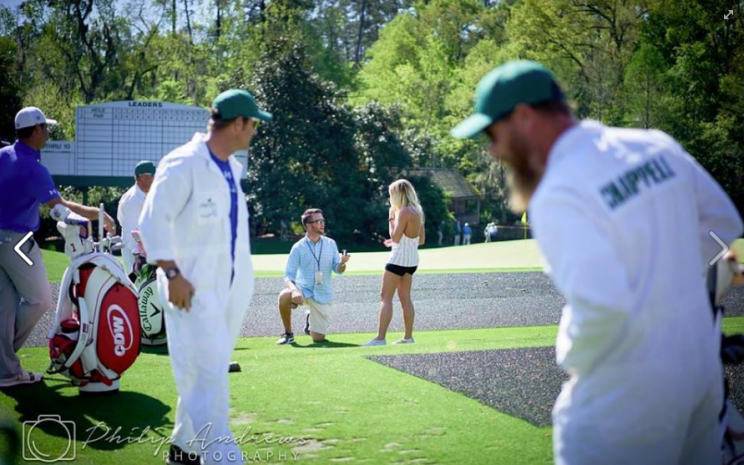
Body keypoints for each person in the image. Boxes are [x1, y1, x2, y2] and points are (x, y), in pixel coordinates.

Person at [451, 60, 744, 465]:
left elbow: (603, 308)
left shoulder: (557, 189)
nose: (493, 149)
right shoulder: (654, 145)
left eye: (492, 132)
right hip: (699, 371)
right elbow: (724, 223)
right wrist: (667, 277)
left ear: (523, 116)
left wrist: (572, 358)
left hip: (625, 390)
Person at [139, 89, 272, 465]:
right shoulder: (182, 163)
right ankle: (223, 458)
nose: (255, 132)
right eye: (254, 124)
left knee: (206, 374)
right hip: (190, 291)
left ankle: (183, 450)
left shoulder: (231, 167)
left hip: (228, 290)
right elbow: (153, 220)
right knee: (210, 384)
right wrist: (172, 273)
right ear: (238, 123)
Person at [0, 107, 115, 388]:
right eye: (46, 128)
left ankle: (5, 370)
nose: (49, 133)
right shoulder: (34, 168)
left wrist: (95, 214)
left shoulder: (4, 156)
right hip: (17, 244)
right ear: (37, 130)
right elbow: (60, 209)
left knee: (5, 305)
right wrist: (94, 217)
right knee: (40, 299)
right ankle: (4, 362)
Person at [363, 179, 425, 346]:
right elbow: (421, 240)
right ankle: (408, 337)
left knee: (385, 297)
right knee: (406, 298)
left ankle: (380, 338)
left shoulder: (403, 211)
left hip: (397, 260)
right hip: (412, 261)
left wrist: (391, 219)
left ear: (398, 194)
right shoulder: (418, 210)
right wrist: (397, 240)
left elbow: (395, 237)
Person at [276, 209, 350, 345]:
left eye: (323, 221)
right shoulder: (298, 247)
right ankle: (288, 334)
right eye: (318, 221)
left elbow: (338, 270)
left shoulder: (331, 244)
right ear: (309, 225)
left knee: (318, 338)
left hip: (323, 294)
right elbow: (288, 275)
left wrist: (343, 263)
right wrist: (294, 291)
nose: (322, 224)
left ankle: (310, 318)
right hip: (303, 290)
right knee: (284, 295)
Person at [117, 160, 156, 276]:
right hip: (134, 251)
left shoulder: (149, 193)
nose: (155, 178)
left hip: (145, 248)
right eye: (153, 175)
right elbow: (131, 232)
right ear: (143, 177)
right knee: (136, 285)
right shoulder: (133, 200)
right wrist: (137, 255)